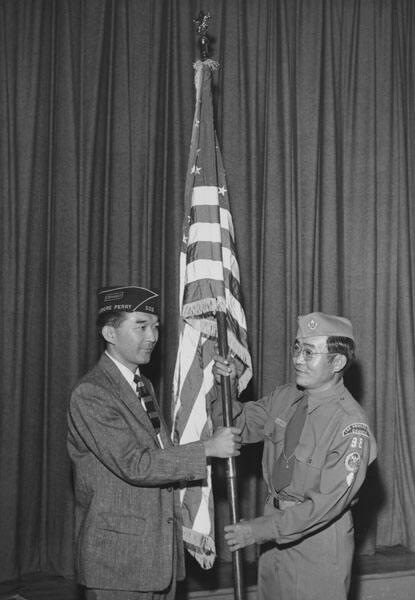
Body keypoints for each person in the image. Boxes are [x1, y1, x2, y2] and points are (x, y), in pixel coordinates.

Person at [67, 285, 241, 600]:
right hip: (119, 566)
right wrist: (207, 449)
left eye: (156, 327)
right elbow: (137, 464)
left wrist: (215, 387)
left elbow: (164, 453)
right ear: (110, 332)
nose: (153, 336)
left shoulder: (140, 384)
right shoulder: (92, 393)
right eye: (141, 326)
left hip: (155, 560)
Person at [213, 311, 377, 600]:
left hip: (317, 542)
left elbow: (325, 506)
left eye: (310, 352)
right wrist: (224, 386)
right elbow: (235, 425)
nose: (298, 359)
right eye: (297, 348)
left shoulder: (349, 424)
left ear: (337, 362)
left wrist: (258, 530)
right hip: (273, 537)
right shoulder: (286, 397)